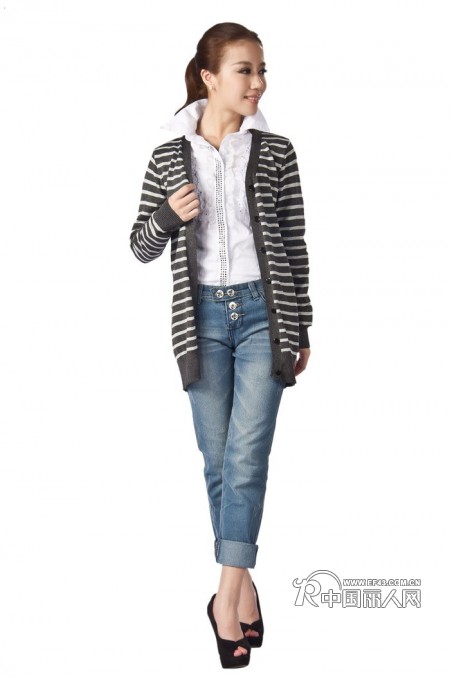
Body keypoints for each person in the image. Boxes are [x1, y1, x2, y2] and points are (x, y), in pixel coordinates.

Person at [129, 21, 312, 669]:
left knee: (246, 457)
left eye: (262, 71)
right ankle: (246, 585)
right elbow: (140, 246)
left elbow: (294, 241)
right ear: (209, 78)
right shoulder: (167, 157)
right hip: (201, 320)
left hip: (266, 314)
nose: (258, 82)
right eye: (245, 70)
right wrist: (167, 216)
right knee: (218, 461)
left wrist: (302, 325)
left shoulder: (277, 151)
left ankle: (223, 598)